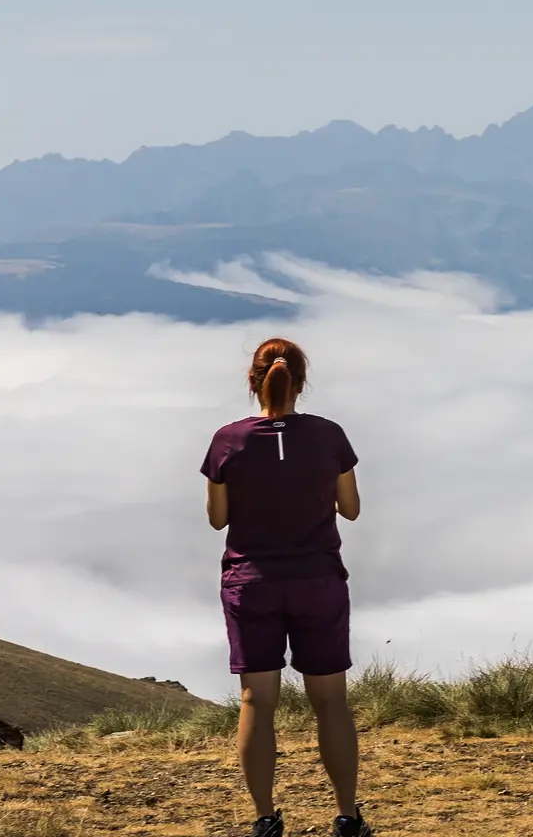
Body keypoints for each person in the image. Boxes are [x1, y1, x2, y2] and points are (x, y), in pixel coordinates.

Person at [203, 338, 374, 837]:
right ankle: (346, 816)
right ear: (301, 383)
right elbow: (351, 508)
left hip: (251, 582)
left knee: (257, 702)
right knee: (331, 703)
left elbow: (218, 520)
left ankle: (264, 820)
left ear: (252, 381)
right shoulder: (328, 436)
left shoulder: (227, 440)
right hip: (317, 580)